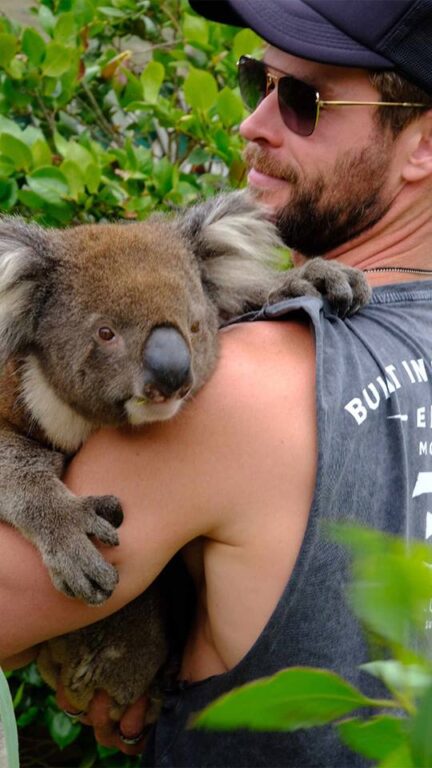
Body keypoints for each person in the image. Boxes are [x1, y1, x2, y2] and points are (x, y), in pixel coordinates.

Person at [2, 0, 432, 765]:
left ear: (421, 145)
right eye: (255, 81)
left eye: (306, 101)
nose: (254, 124)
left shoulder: (231, 397)